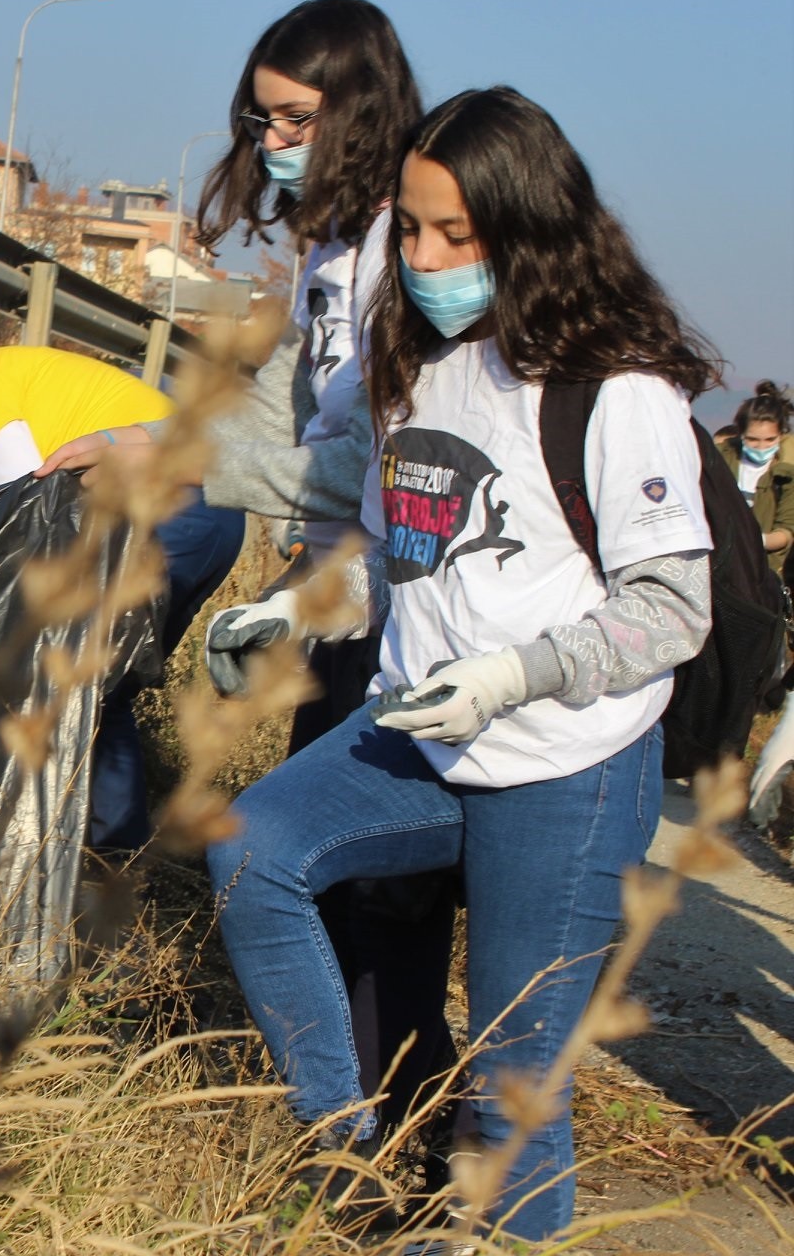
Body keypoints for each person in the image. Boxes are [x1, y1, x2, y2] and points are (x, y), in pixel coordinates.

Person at [205, 87, 716, 1242]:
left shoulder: (615, 388)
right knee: (253, 854)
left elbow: (670, 610)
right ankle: (344, 1158)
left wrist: (514, 675)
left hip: (566, 766)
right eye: (415, 230)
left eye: (457, 236)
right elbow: (405, 564)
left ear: (529, 229)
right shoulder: (418, 367)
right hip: (422, 734)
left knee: (511, 1084)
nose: (426, 260)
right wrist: (296, 612)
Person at [37, 0, 459, 1158]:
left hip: (397, 598)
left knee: (377, 883)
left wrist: (181, 451)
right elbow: (282, 420)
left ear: (359, 109)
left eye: (297, 116)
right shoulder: (332, 253)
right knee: (343, 879)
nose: (275, 141)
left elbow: (366, 453)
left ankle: (408, 1134)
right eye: (263, 118)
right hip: (328, 594)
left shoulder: (402, 255)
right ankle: (383, 1124)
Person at [0, 341, 244, 851]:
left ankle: (104, 854)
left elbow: (31, 523)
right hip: (212, 511)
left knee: (86, 682)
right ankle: (96, 847)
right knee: (105, 686)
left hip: (169, 508)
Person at [718, 382, 794, 575]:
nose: (761, 447)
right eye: (752, 439)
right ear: (740, 433)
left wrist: (756, 540)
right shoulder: (720, 459)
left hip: (764, 571)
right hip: (720, 564)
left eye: (770, 440)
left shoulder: (786, 473)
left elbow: (786, 531)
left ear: (781, 435)